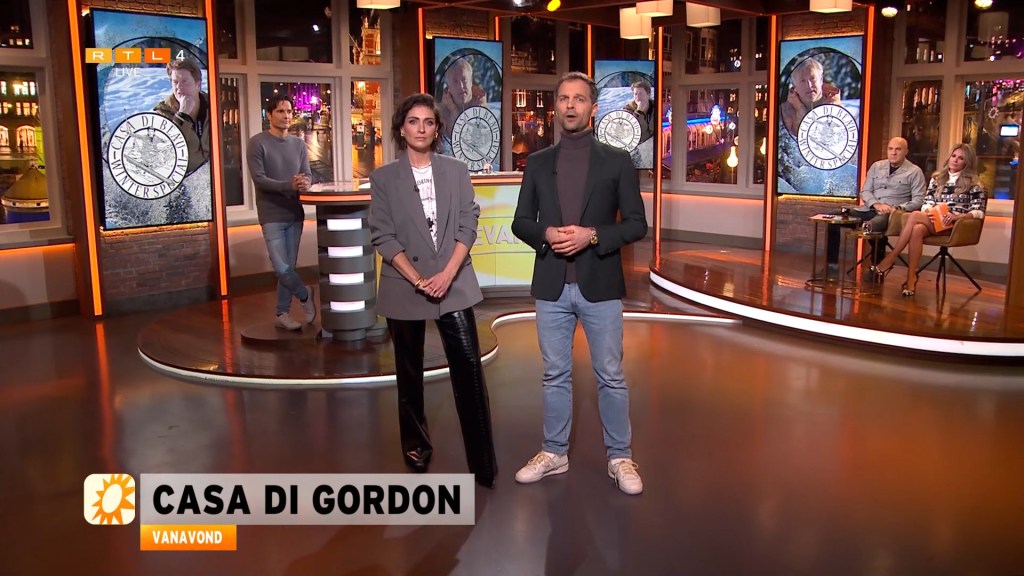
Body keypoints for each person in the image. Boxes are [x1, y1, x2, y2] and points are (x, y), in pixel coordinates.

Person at [511, 72, 648, 495]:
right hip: (552, 285)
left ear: (593, 107)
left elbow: (637, 225)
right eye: (564, 99)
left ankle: (620, 457)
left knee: (610, 374)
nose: (570, 105)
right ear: (556, 107)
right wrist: (546, 234)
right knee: (554, 374)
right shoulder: (537, 163)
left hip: (600, 284)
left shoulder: (617, 161)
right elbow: (521, 222)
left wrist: (593, 235)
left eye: (579, 99)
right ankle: (554, 452)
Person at [368, 93, 497, 489]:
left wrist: (447, 274)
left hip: (452, 281)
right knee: (409, 375)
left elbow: (467, 224)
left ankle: (483, 462)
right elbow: (383, 236)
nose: (421, 128)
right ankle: (416, 449)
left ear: (437, 129)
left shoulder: (456, 171)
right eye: (413, 121)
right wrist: (418, 280)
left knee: (469, 371)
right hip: (405, 285)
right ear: (400, 128)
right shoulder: (384, 178)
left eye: (428, 122)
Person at [870, 143, 987, 296]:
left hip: (955, 224)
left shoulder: (974, 184)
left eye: (961, 158)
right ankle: (911, 279)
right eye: (953, 156)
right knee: (917, 229)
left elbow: (978, 211)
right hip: (934, 218)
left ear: (967, 162)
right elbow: (927, 201)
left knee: (914, 216)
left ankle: (891, 257)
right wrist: (929, 211)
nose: (955, 160)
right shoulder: (937, 179)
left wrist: (958, 216)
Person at [246, 94, 316, 331]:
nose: (286, 116)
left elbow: (307, 174)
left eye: (289, 112)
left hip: (294, 213)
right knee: (281, 268)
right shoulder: (257, 143)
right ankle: (305, 294)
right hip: (271, 214)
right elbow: (259, 179)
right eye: (280, 111)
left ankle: (282, 313)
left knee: (289, 267)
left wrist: (305, 182)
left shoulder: (298, 144)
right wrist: (289, 185)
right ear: (269, 115)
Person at [822, 137, 926, 278]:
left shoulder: (914, 172)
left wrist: (896, 208)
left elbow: (919, 200)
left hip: (892, 214)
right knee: (833, 217)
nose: (893, 153)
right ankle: (831, 266)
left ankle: (876, 267)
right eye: (890, 149)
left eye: (898, 149)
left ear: (906, 152)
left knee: (871, 226)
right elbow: (865, 191)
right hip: (869, 209)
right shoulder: (877, 166)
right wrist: (876, 204)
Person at [153, 58, 211, 174]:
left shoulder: (213, 106)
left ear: (198, 84)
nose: (179, 87)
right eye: (175, 82)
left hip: (212, 177)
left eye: (185, 81)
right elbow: (166, 151)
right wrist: (182, 115)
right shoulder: (163, 113)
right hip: (182, 180)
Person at [780, 57, 841, 136]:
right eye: (802, 81)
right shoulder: (783, 113)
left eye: (812, 79)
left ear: (821, 80)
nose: (809, 85)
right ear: (795, 86)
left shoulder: (837, 110)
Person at [438, 58, 487, 148]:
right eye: (455, 81)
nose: (461, 86)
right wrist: (454, 111)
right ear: (448, 87)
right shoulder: (439, 116)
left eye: (464, 79)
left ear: (471, 81)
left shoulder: (485, 111)